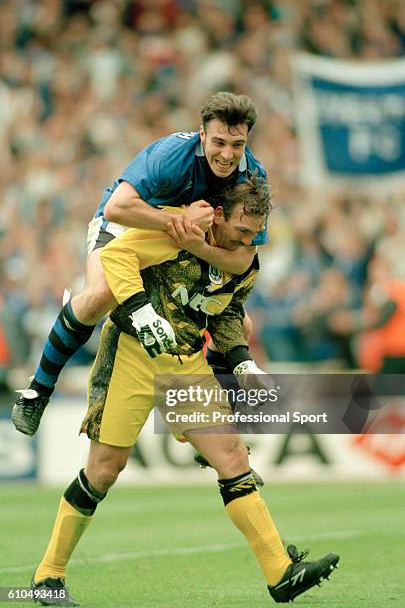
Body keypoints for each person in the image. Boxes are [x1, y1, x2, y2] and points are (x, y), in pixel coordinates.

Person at [30, 178, 339, 606]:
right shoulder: (179, 232)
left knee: (232, 457)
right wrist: (140, 313)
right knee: (103, 470)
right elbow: (117, 255)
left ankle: (280, 573)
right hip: (132, 355)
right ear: (218, 216)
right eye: (243, 232)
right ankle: (48, 575)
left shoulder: (244, 261)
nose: (250, 242)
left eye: (256, 234)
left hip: (187, 363)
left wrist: (243, 363)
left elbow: (228, 313)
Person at [12, 91, 269, 437]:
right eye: (219, 142)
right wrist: (175, 224)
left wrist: (194, 242)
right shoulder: (171, 155)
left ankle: (213, 423)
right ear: (202, 134)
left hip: (187, 240)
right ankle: (38, 390)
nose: (227, 155)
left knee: (243, 326)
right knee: (101, 293)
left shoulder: (254, 176)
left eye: (237, 145)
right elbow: (118, 207)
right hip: (128, 224)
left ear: (247, 140)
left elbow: (243, 259)